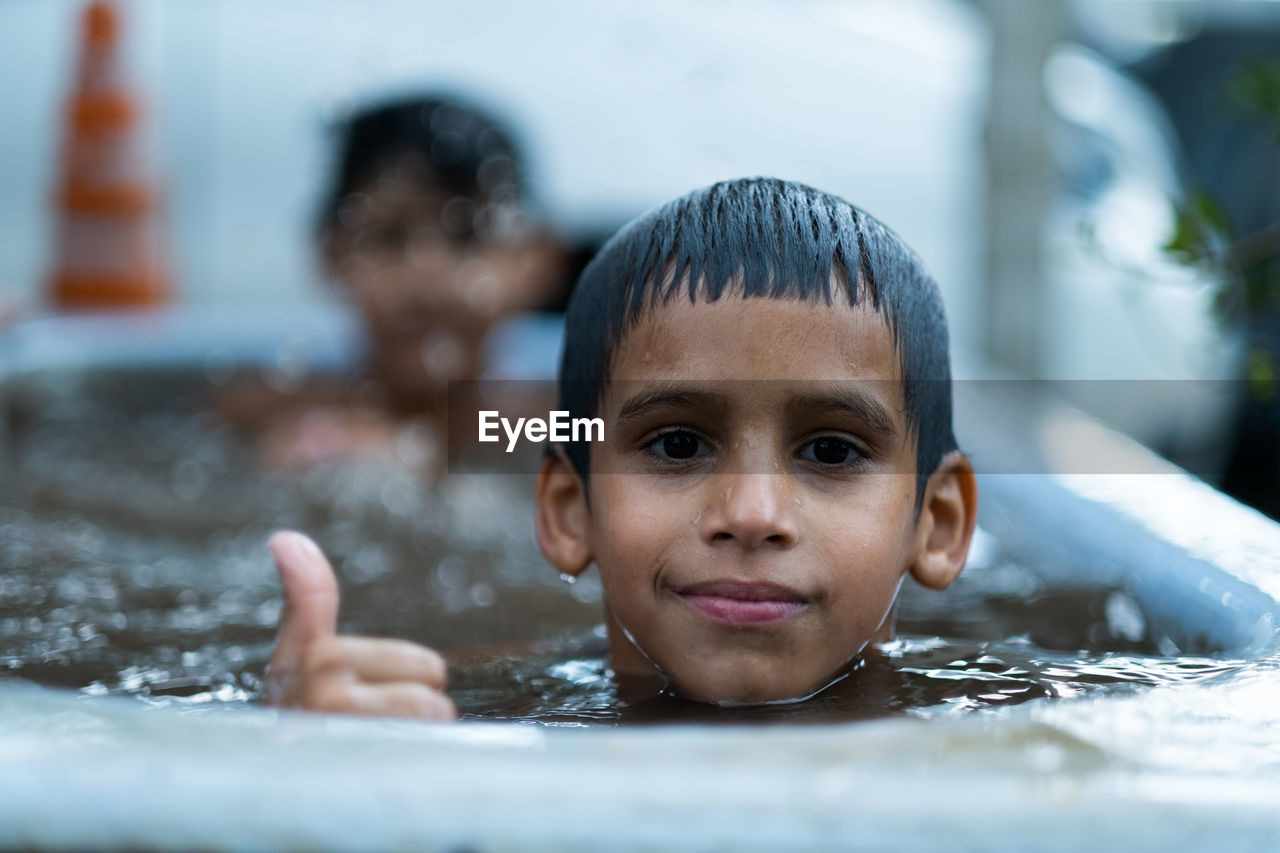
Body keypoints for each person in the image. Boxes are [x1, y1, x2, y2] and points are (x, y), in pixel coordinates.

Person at [264, 177, 978, 718]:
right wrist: (300, 749)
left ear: (938, 523)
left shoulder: (1018, 737)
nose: (753, 511)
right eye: (676, 444)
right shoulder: (444, 714)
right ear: (570, 510)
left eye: (831, 451)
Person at [221, 94, 564, 470]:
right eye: (387, 237)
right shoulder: (257, 420)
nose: (426, 272)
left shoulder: (570, 427)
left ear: (537, 259)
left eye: (468, 235)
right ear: (331, 253)